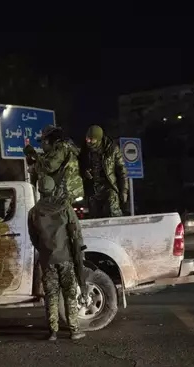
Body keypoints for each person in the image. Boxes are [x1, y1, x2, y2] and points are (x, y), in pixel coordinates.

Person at [27, 176, 86, 341]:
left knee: (51, 294)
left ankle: (52, 331)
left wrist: (45, 251)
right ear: (54, 189)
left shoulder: (33, 212)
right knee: (70, 293)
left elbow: (34, 238)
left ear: (39, 190)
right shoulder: (64, 207)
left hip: (47, 260)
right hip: (66, 257)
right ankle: (74, 330)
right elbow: (76, 231)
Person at [23, 125, 84, 205]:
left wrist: (35, 155)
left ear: (47, 141)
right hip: (65, 194)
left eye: (42, 142)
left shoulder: (61, 147)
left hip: (65, 194)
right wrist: (33, 162)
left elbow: (49, 166)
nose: (41, 146)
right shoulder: (56, 151)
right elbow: (42, 168)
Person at [80, 125, 129, 218]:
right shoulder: (84, 150)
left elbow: (122, 171)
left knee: (113, 213)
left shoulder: (112, 149)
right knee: (95, 217)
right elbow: (80, 166)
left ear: (98, 139)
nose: (89, 142)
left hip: (109, 187)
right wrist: (84, 172)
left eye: (92, 139)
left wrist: (124, 191)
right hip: (93, 190)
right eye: (87, 139)